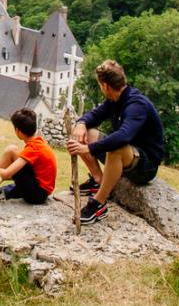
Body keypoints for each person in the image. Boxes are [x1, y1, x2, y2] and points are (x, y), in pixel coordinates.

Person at [65, 59, 165, 225]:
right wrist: (81, 124)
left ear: (105, 86)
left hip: (145, 166)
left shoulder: (136, 104)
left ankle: (99, 203)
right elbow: (94, 115)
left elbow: (122, 137)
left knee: (116, 147)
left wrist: (88, 148)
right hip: (128, 156)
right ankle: (98, 180)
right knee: (87, 133)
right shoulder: (115, 100)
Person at [0, 107, 57, 208]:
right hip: (39, 190)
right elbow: (15, 174)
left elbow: (6, 174)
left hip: (37, 195)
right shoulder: (38, 142)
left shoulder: (33, 148)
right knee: (12, 153)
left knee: (11, 150)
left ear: (18, 131)